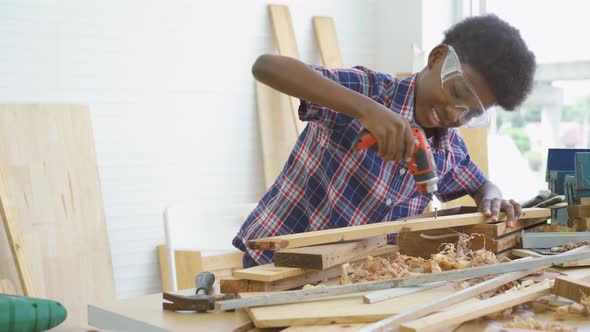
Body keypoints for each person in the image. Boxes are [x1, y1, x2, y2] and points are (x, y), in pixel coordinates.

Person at [233, 14, 536, 268]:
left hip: (345, 275)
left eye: (469, 113)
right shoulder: (371, 91)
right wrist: (365, 110)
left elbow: (480, 185)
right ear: (437, 58)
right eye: (456, 93)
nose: (452, 114)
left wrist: (491, 197)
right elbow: (266, 67)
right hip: (276, 261)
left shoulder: (447, 148)